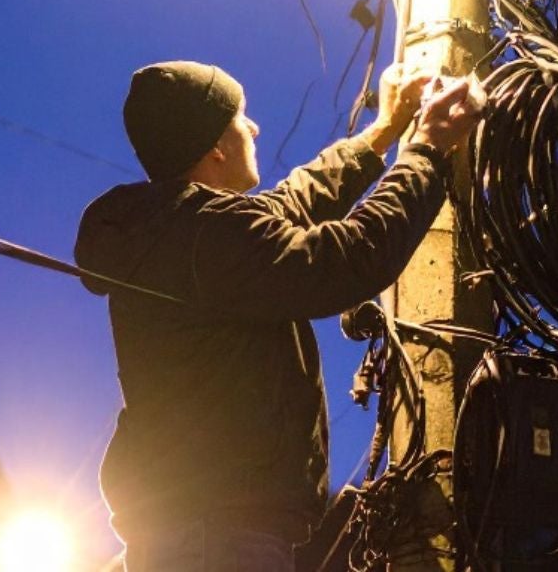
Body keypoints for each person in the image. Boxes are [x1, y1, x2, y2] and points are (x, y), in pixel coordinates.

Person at [74, 59, 481, 571]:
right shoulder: (208, 236)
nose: (255, 127)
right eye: (240, 117)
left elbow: (291, 203)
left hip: (200, 533)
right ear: (215, 147)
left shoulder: (183, 232)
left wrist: (383, 133)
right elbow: (347, 259)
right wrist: (426, 151)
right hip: (217, 540)